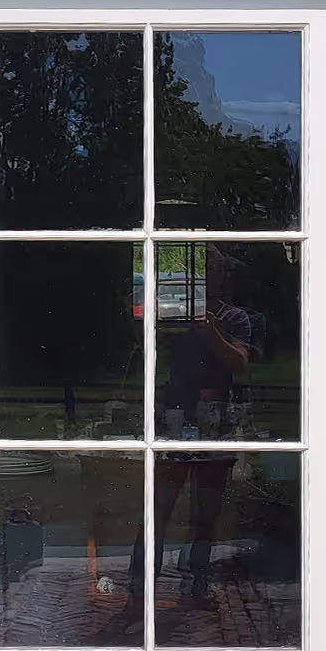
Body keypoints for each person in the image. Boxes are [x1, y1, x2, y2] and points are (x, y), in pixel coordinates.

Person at [130, 247, 257, 608]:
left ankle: (196, 581)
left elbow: (239, 363)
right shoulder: (173, 311)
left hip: (216, 420)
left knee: (206, 509)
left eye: (214, 271)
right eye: (201, 271)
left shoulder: (235, 317)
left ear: (222, 277)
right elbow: (141, 341)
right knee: (159, 504)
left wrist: (208, 326)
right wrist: (143, 307)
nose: (208, 277)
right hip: (174, 416)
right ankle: (141, 583)